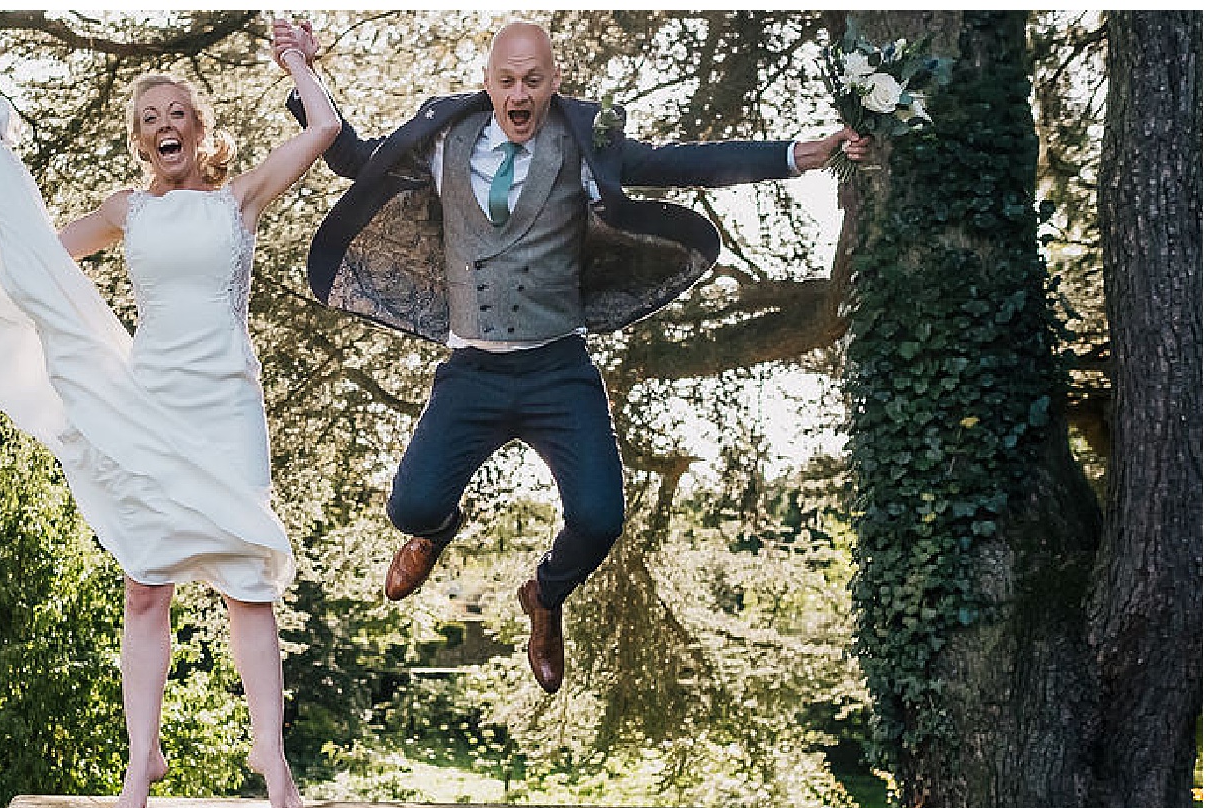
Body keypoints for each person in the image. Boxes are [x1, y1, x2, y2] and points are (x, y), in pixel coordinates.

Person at [275, 18, 869, 693]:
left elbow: (685, 161)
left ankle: (545, 594)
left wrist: (798, 153)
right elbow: (352, 156)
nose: (519, 92)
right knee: (410, 506)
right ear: (488, 83)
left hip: (557, 371)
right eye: (507, 81)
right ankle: (434, 534)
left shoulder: (588, 143)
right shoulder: (442, 137)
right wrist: (299, 67)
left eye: (533, 79)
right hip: (471, 373)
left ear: (554, 81)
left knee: (598, 520)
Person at [0, 34, 339, 808]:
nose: (166, 125)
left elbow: (323, 129)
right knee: (145, 584)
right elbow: (43, 263)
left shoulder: (239, 200)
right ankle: (141, 756)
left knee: (247, 581)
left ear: (200, 129)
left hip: (228, 404)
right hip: (151, 400)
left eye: (179, 114)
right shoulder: (129, 212)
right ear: (140, 140)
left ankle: (269, 749)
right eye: (150, 118)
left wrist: (296, 63)